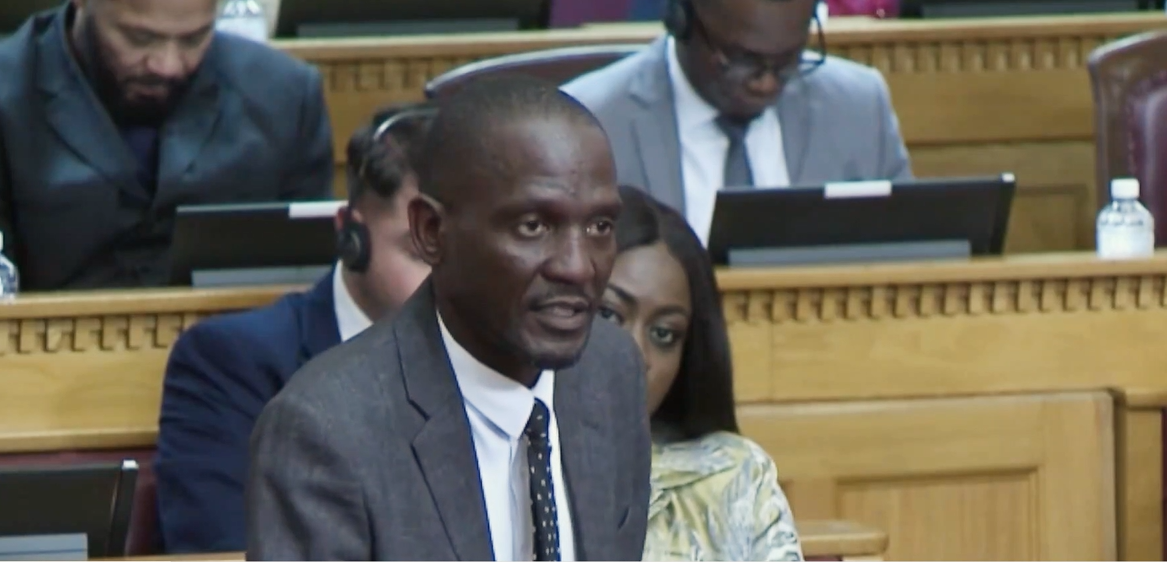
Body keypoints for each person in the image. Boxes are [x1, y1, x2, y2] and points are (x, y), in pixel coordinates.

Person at [246, 76, 651, 561]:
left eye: (600, 226)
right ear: (431, 231)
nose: (578, 267)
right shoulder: (326, 430)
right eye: (533, 226)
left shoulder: (611, 368)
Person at [154, 104, 432, 554]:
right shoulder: (234, 363)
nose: (452, 282)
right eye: (422, 253)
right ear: (351, 236)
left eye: (466, 255)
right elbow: (224, 549)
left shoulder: (510, 357)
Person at [0, 0, 334, 291]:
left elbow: (310, 289)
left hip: (236, 338)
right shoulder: (9, 94)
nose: (167, 66)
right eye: (139, 38)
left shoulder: (286, 98)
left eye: (194, 39)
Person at [562, 0, 912, 243]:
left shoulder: (860, 107)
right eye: (742, 60)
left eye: (788, 61)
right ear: (681, 20)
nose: (766, 83)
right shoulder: (589, 121)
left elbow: (910, 249)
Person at [604, 185, 803, 561]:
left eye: (664, 334)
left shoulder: (734, 478)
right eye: (609, 316)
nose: (636, 355)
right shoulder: (511, 462)